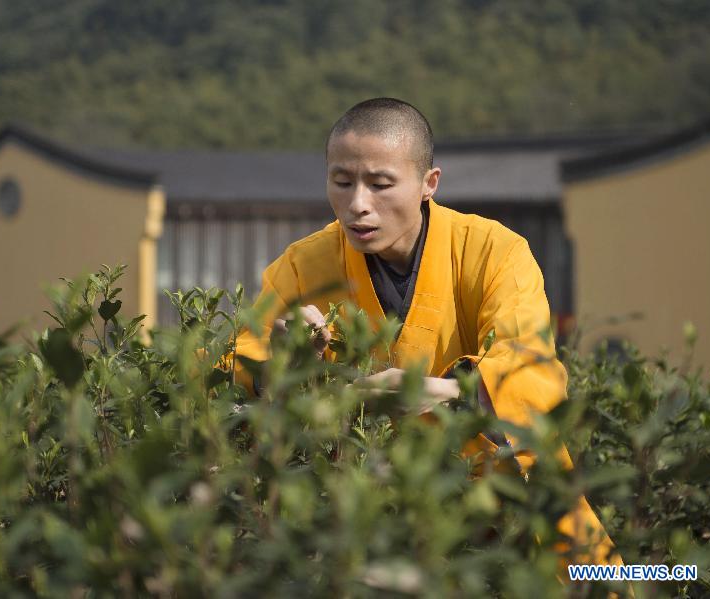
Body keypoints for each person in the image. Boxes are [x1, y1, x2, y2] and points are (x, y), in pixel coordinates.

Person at [233, 97, 618, 567]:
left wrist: (446, 392)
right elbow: (232, 370)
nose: (358, 205)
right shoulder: (302, 266)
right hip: (369, 521)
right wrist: (282, 360)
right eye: (341, 182)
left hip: (500, 502)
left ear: (428, 184)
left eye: (380, 184)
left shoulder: (493, 252)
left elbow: (531, 369)